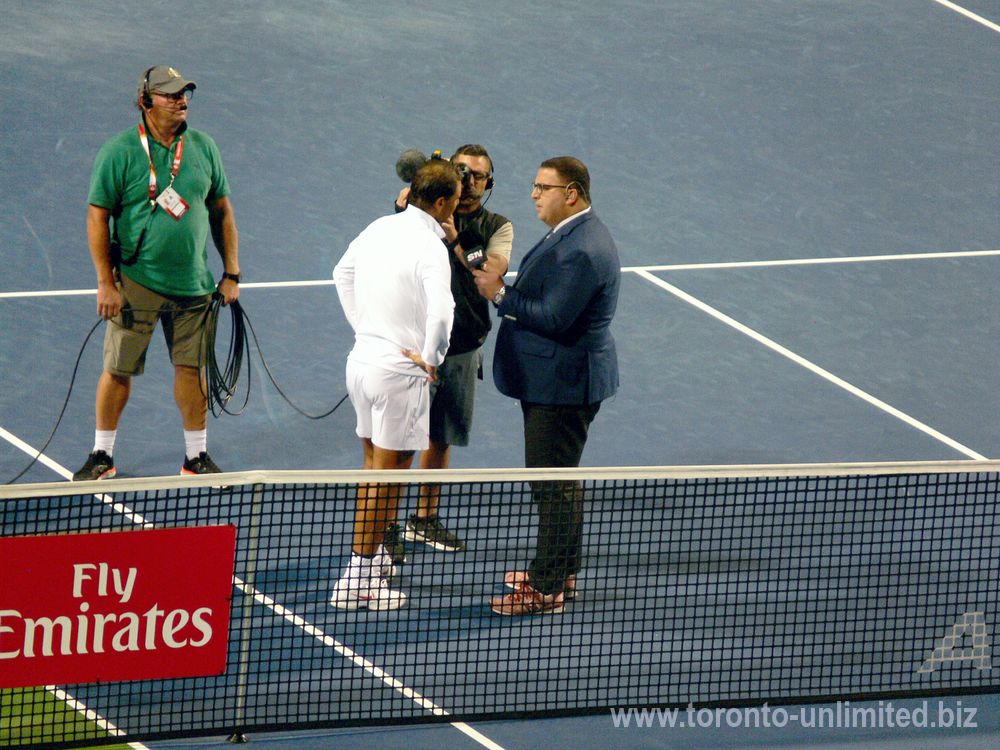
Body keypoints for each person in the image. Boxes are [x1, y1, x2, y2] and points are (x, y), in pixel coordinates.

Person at [73, 65, 240, 481]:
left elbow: (221, 211)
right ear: (146, 101)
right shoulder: (120, 151)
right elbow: (98, 218)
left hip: (195, 285)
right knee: (118, 369)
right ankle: (102, 454)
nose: (180, 100)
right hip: (136, 282)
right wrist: (105, 282)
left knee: (192, 370)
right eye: (169, 95)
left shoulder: (204, 147)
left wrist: (231, 273)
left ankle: (195, 457)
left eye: (184, 93)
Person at [473, 156, 620, 616]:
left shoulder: (582, 248)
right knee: (559, 482)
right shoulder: (572, 232)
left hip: (563, 386)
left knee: (551, 485)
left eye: (544, 187)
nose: (534, 194)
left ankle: (545, 587)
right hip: (555, 380)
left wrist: (498, 293)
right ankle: (562, 567)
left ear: (571, 193)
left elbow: (554, 317)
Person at [330, 159, 461, 610]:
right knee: (388, 477)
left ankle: (375, 557)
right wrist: (432, 359)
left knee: (373, 466)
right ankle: (359, 577)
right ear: (441, 201)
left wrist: (365, 328)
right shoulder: (431, 247)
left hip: (362, 363)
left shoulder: (378, 227)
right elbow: (443, 314)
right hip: (398, 376)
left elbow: (341, 275)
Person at [384, 145, 513, 560]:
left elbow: (487, 275)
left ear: (488, 184)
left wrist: (456, 237)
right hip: (412, 347)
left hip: (462, 347)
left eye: (479, 174)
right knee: (398, 439)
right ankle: (384, 524)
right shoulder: (421, 211)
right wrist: (409, 208)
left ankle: (423, 518)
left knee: (441, 435)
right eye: (462, 171)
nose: (470, 179)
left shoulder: (498, 226)